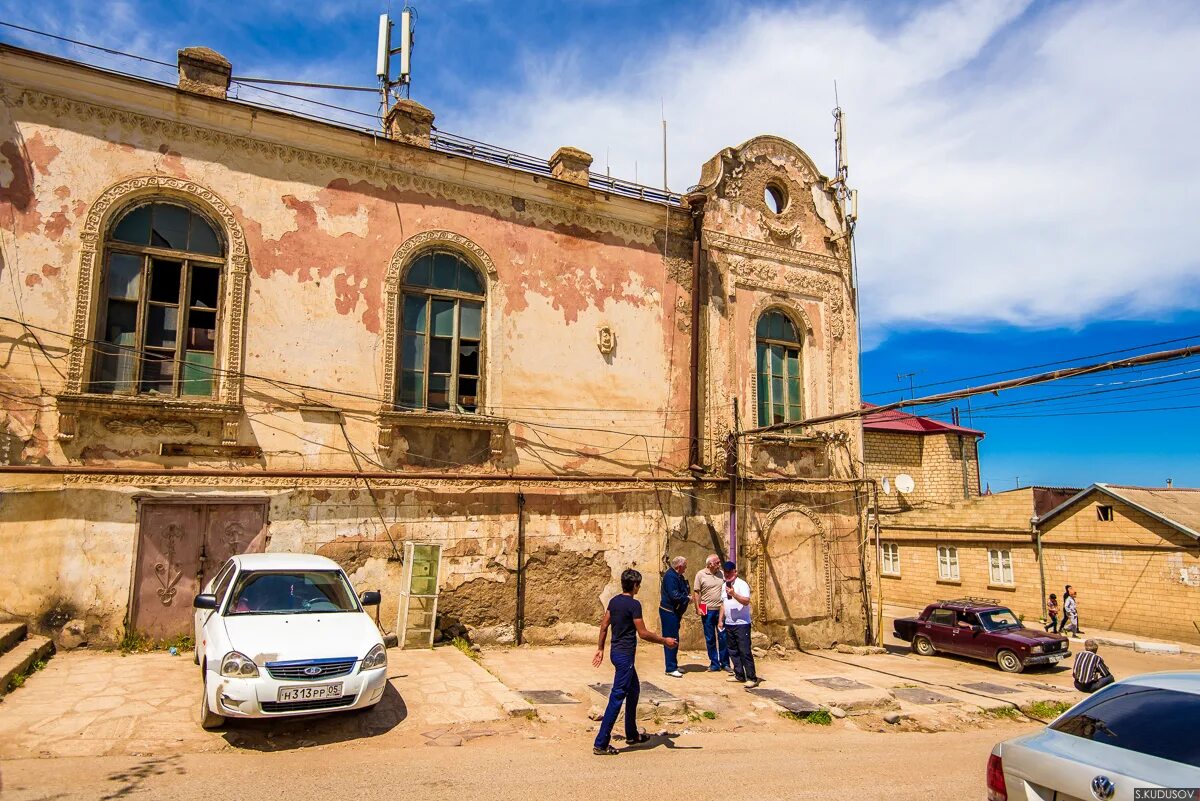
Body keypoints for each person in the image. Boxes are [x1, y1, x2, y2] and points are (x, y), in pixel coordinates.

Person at [591, 568, 678, 755]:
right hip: (625, 657)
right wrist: (665, 640)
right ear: (635, 585)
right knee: (617, 696)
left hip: (616, 653)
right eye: (639, 585)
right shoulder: (633, 605)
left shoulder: (614, 601)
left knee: (634, 689)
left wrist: (600, 648)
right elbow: (643, 633)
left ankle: (631, 734)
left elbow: (604, 625)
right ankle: (601, 742)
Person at [720, 560, 759, 689]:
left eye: (730, 572)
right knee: (733, 650)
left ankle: (752, 677)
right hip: (729, 623)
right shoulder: (724, 585)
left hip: (742, 624)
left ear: (735, 572)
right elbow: (723, 604)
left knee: (744, 650)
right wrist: (721, 620)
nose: (727, 575)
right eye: (725, 572)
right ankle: (739, 674)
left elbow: (746, 601)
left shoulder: (742, 585)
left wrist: (734, 594)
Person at [692, 554, 730, 672]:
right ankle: (714, 663)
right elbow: (697, 592)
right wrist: (698, 608)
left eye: (719, 562)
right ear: (709, 564)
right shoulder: (700, 574)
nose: (719, 565)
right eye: (717, 563)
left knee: (723, 637)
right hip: (707, 609)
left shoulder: (722, 574)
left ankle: (725, 663)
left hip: (720, 610)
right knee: (710, 638)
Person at [659, 556, 690, 678]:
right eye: (685, 566)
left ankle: (674, 664)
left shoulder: (678, 576)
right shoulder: (670, 577)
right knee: (670, 639)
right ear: (679, 566)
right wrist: (686, 598)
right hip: (668, 611)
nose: (686, 568)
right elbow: (674, 594)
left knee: (675, 638)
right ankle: (670, 668)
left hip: (675, 612)